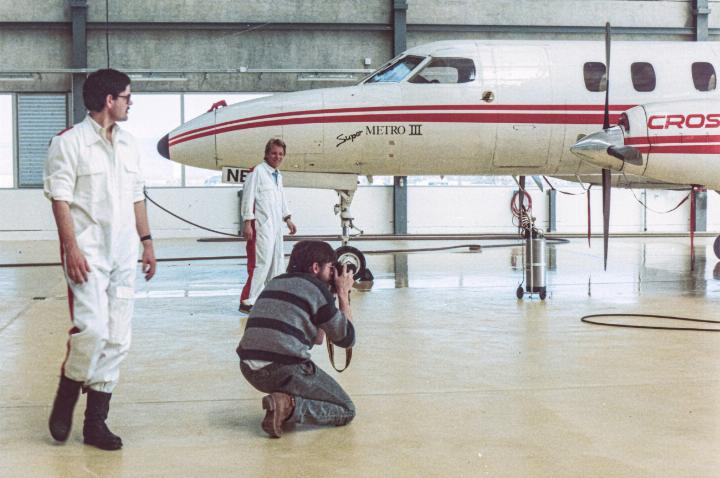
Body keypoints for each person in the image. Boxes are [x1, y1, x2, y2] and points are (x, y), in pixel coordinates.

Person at [43, 68, 157, 451]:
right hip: (87, 254)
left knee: (118, 338)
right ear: (109, 100)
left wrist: (147, 241)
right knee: (91, 329)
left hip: (124, 254)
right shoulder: (69, 143)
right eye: (127, 96)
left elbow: (137, 196)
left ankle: (96, 423)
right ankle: (68, 387)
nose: (130, 103)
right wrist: (71, 248)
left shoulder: (130, 145)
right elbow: (60, 199)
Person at [237, 240, 356, 438]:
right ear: (316, 267)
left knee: (295, 367)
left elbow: (318, 339)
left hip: (249, 369)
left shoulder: (276, 282)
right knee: (345, 409)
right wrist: (343, 293)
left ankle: (283, 400)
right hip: (283, 369)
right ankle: (287, 407)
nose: (334, 273)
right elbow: (346, 339)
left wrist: (330, 296)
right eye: (331, 268)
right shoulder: (316, 289)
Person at [239, 138, 297, 313]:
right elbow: (247, 198)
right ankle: (248, 301)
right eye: (274, 153)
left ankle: (272, 298)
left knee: (276, 263)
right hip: (261, 226)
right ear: (266, 153)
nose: (277, 157)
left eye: (280, 154)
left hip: (275, 226)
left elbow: (281, 199)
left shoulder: (278, 175)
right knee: (261, 263)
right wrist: (247, 223)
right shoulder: (257, 172)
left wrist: (288, 218)